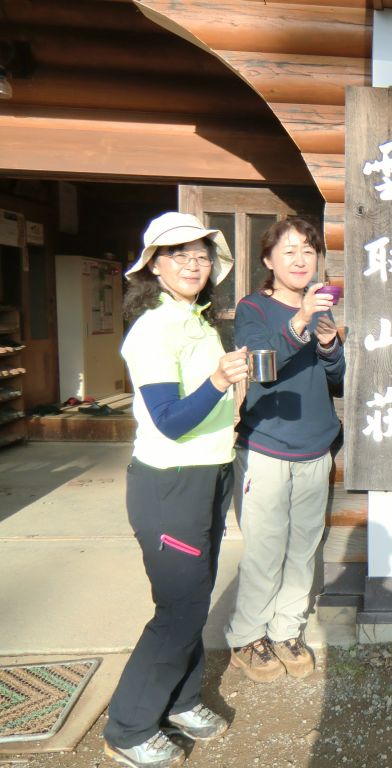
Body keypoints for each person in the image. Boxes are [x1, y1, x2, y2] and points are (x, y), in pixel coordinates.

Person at [104, 212, 248, 768]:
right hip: (169, 485)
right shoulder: (154, 328)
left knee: (194, 601)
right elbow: (168, 420)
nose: (194, 262)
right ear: (155, 267)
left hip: (208, 474)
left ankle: (182, 700)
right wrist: (218, 382)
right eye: (178, 254)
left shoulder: (196, 319)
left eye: (201, 253)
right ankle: (129, 727)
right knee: (180, 609)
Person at [225, 217, 344, 682]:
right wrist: (299, 322)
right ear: (269, 260)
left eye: (308, 251)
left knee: (303, 548)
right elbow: (262, 367)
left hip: (316, 447)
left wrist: (331, 346)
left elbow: (336, 379)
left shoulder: (322, 309)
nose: (300, 259)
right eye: (289, 250)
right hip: (267, 447)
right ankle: (246, 636)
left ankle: (286, 630)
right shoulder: (253, 308)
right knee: (265, 548)